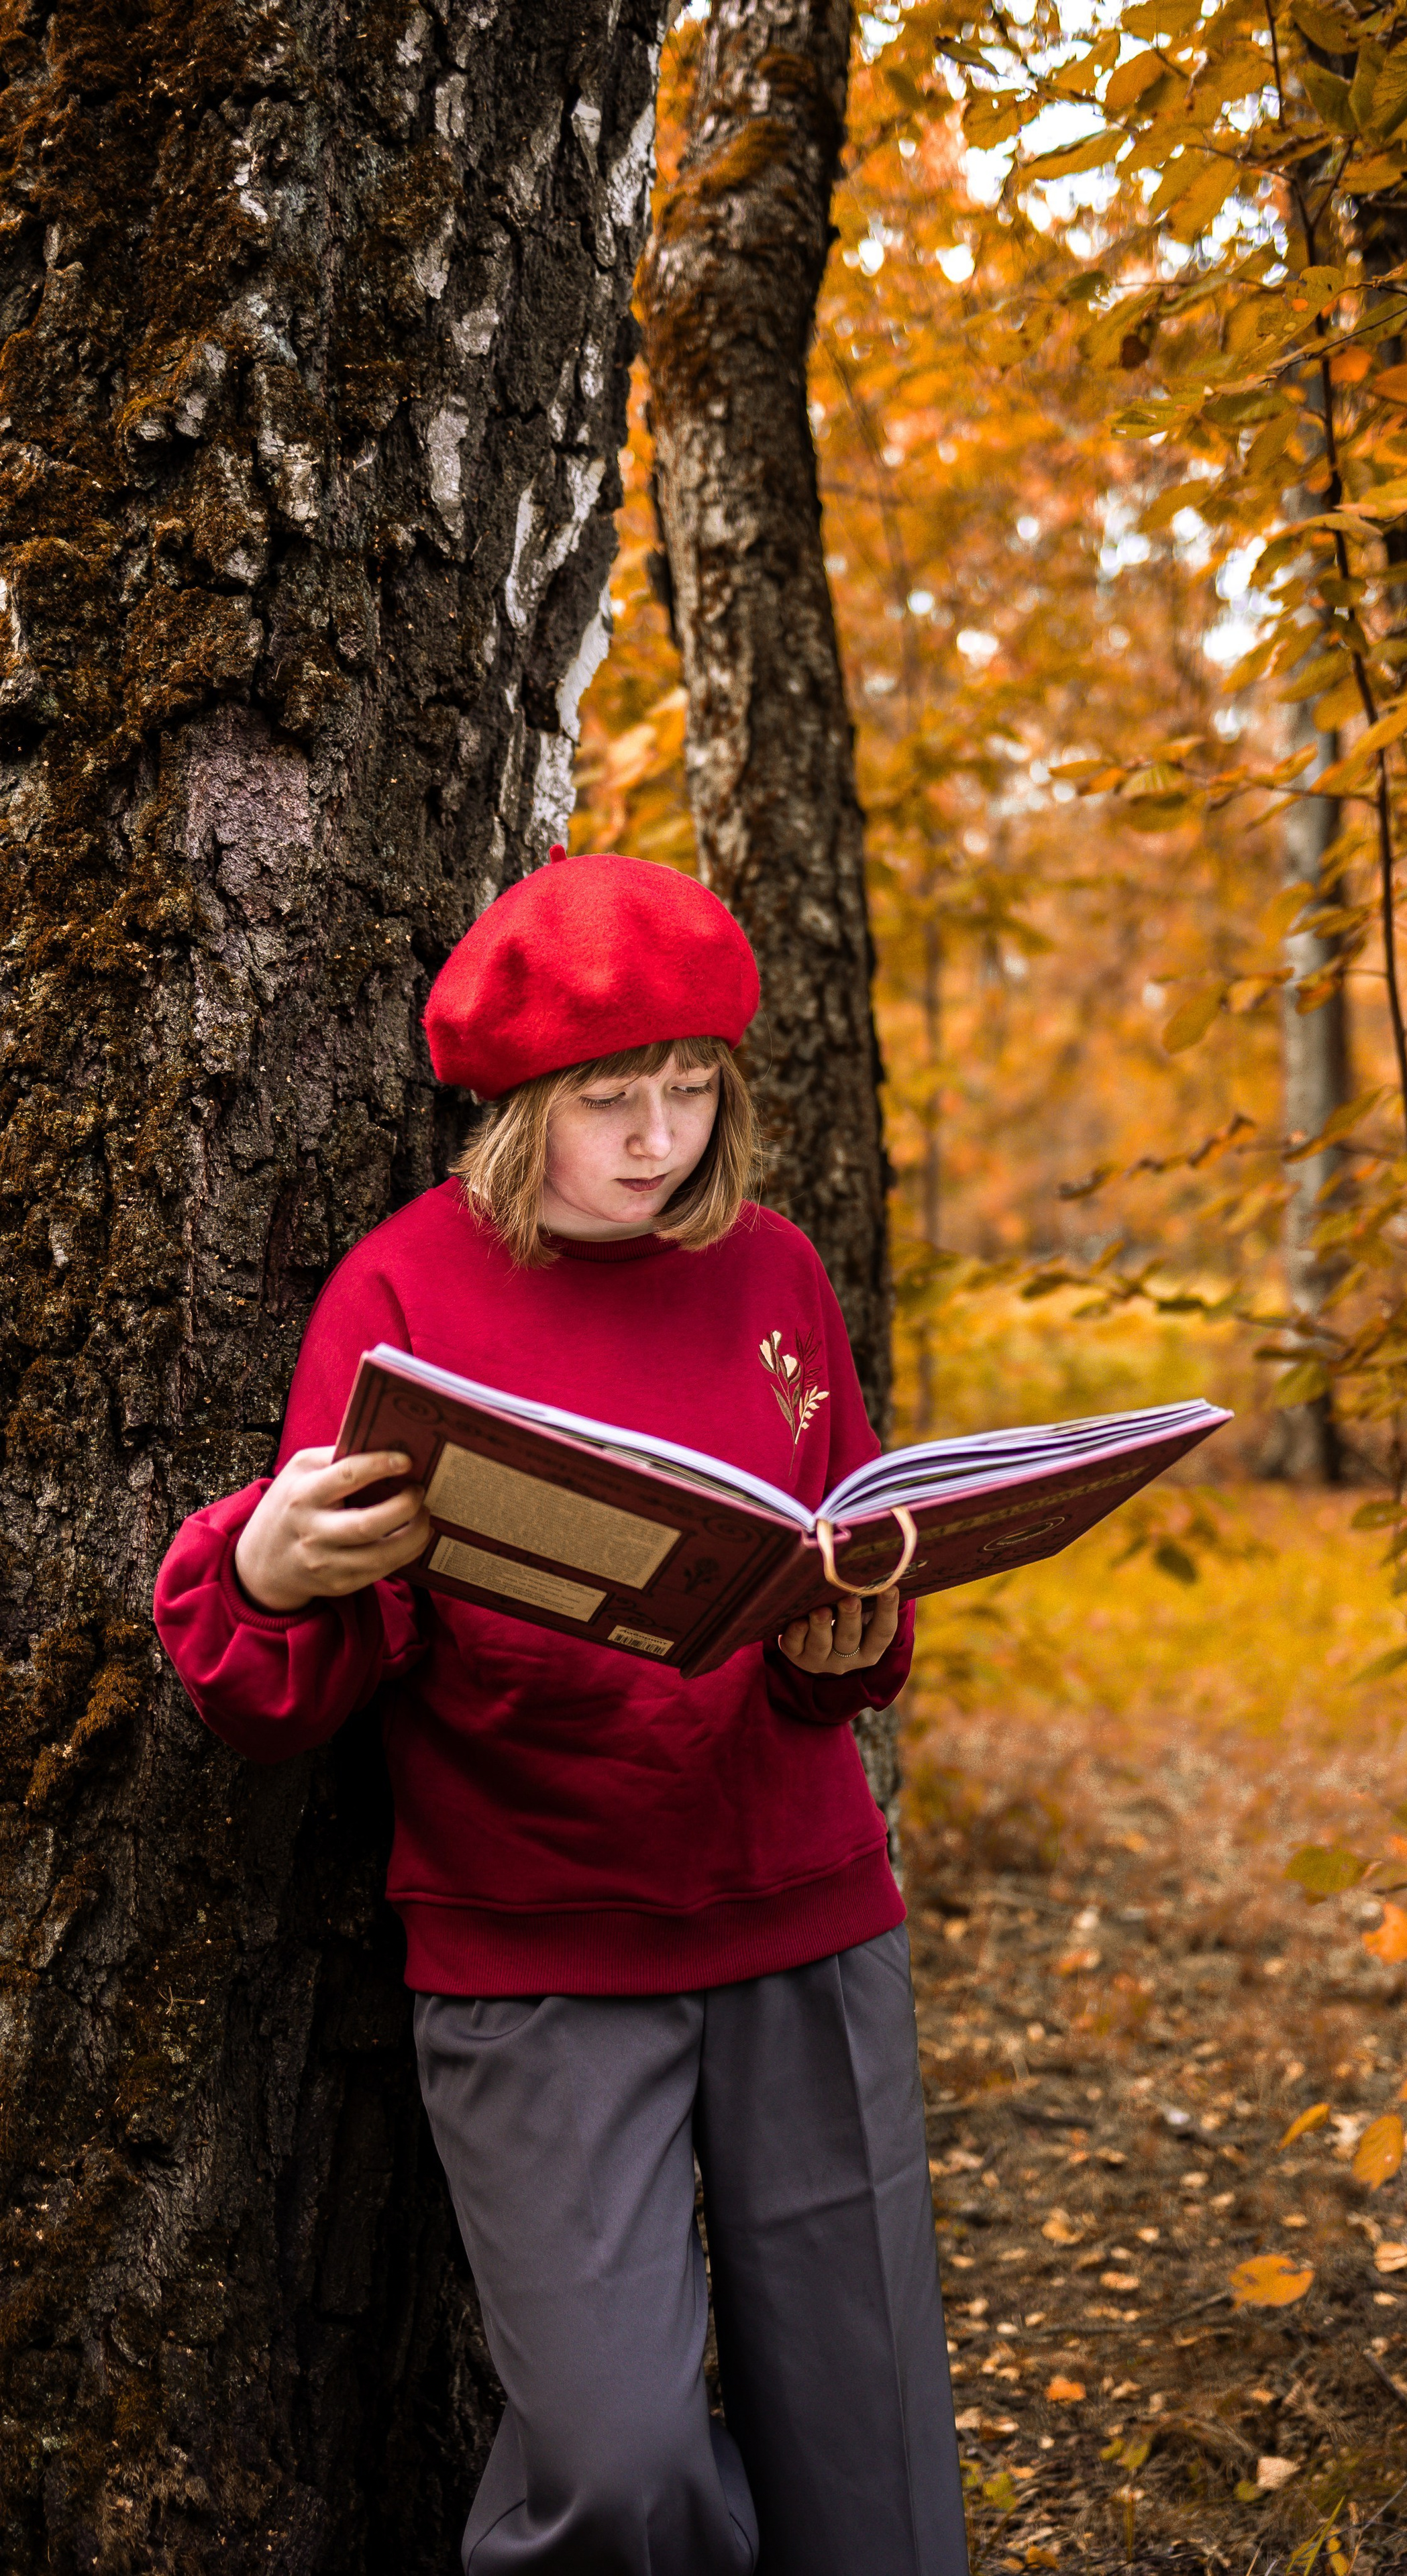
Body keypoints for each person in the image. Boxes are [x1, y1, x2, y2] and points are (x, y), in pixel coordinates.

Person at [154, 851, 968, 2576]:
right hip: (535, 1950)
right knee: (618, 2460)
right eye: (611, 1099)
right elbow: (292, 1681)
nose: (659, 1138)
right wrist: (272, 1568)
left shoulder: (772, 1277)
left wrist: (854, 1616)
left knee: (869, 2444)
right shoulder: (402, 1293)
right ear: (519, 1103)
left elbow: (834, 1653)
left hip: (802, 1919)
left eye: (689, 1091)